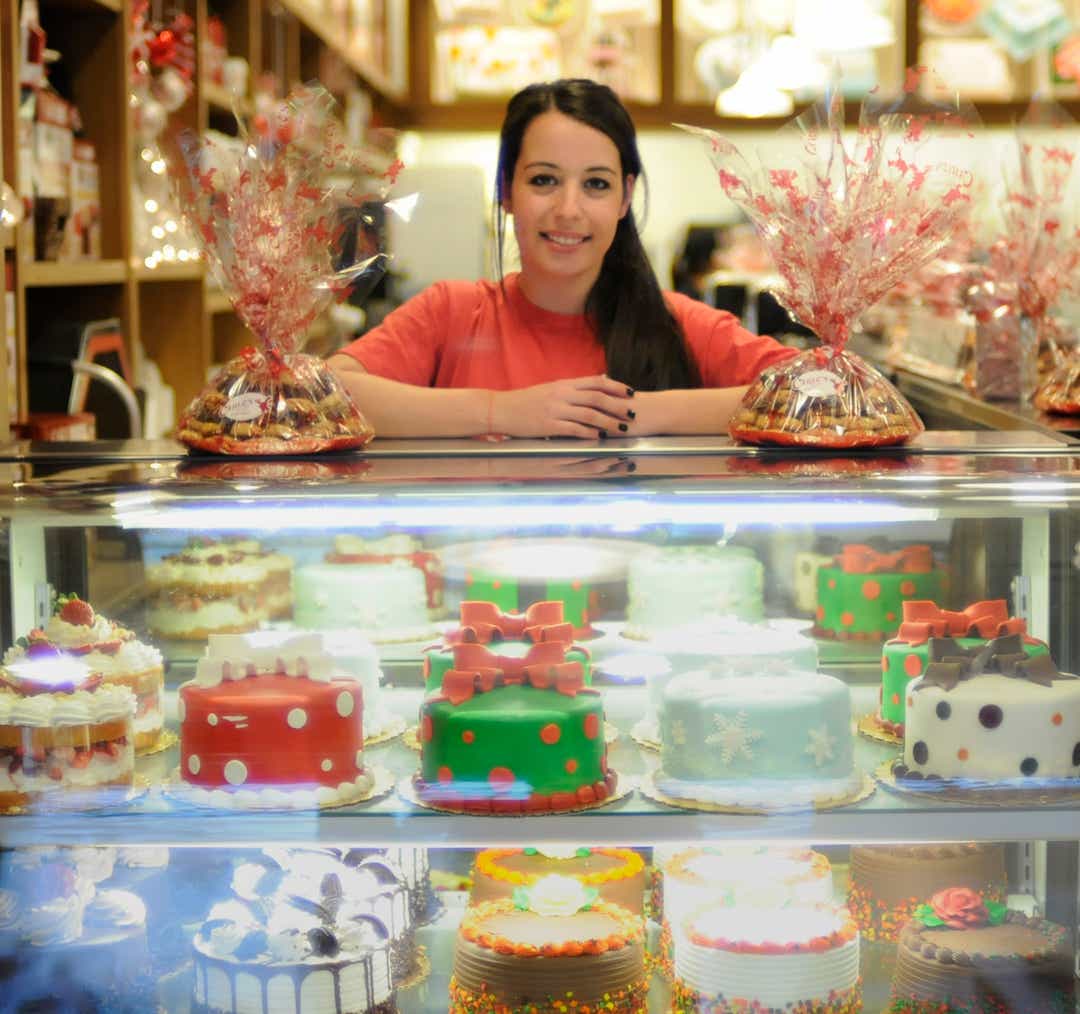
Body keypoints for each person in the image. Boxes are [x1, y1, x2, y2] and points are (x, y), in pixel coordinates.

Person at [328, 78, 796, 438]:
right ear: (506, 191)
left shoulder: (682, 325)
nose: (569, 209)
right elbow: (327, 393)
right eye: (544, 180)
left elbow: (815, 390)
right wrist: (502, 411)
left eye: (596, 184)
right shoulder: (450, 313)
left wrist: (640, 412)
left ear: (624, 197)